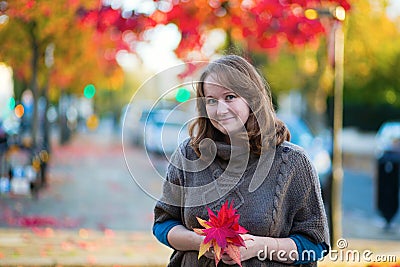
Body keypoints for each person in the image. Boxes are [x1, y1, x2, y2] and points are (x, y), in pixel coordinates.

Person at [153, 54, 330, 266]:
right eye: (211, 100)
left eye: (230, 97)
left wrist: (259, 247)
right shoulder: (189, 155)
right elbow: (163, 223)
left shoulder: (292, 162)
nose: (220, 110)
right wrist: (198, 241)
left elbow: (315, 244)